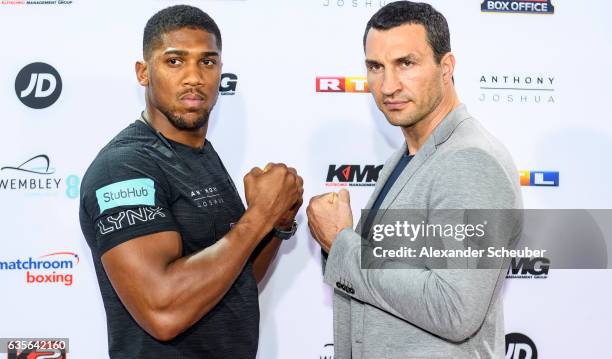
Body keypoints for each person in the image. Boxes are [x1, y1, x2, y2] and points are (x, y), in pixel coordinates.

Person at [79, 5, 303, 358]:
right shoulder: (123, 168)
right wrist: (258, 216)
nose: (193, 77)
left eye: (207, 62)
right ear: (143, 72)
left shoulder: (202, 155)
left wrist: (277, 223)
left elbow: (232, 281)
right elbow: (162, 311)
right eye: (174, 61)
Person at [307, 1, 522, 358]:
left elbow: (455, 309)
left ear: (446, 67)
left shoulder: (470, 160)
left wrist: (342, 244)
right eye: (376, 67)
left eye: (405, 63)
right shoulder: (407, 155)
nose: (388, 85)